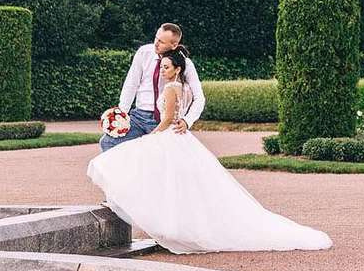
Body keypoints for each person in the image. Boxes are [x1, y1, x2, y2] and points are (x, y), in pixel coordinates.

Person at [87, 46, 330, 254]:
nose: (162, 71)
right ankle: (174, 223)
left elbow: (167, 119)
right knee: (179, 183)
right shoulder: (183, 87)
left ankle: (152, 215)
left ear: (177, 69)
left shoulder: (171, 88)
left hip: (170, 135)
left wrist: (150, 137)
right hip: (181, 138)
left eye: (166, 67)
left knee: (139, 165)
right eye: (161, 67)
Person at [101, 22, 204, 151]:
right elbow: (131, 84)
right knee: (107, 142)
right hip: (138, 117)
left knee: (158, 155)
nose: (156, 43)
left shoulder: (185, 64)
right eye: (156, 38)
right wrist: (122, 113)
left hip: (163, 120)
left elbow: (199, 98)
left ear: (174, 44)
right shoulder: (144, 52)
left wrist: (187, 120)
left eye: (161, 41)